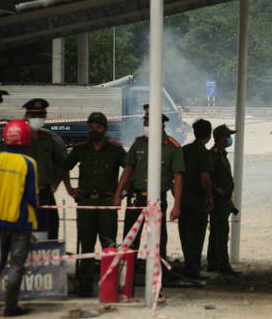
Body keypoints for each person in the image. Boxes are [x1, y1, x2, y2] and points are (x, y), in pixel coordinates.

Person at [112, 105, 185, 300]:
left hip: (158, 200)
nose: (144, 125)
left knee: (158, 245)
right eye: (144, 121)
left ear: (160, 125)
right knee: (129, 243)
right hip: (136, 198)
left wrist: (177, 205)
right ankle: (126, 289)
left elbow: (178, 178)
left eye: (148, 122)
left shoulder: (173, 147)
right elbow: (127, 170)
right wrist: (118, 193)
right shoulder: (138, 144)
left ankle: (156, 289)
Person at [63, 112, 126, 297]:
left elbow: (131, 168)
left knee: (109, 245)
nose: (94, 130)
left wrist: (121, 194)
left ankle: (111, 282)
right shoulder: (80, 148)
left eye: (98, 128)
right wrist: (70, 189)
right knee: (86, 245)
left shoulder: (116, 150)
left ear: (105, 129)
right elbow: (64, 167)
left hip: (107, 204)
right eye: (91, 127)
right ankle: (85, 284)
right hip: (86, 203)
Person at [0, 120, 38, 317]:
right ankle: (10, 306)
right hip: (20, 222)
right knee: (16, 266)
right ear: (25, 139)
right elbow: (32, 196)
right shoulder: (29, 163)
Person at [22, 98, 66, 240]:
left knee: (52, 227)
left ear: (45, 117)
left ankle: (49, 258)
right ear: (26, 117)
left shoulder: (49, 139)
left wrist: (56, 181)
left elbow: (59, 162)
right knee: (26, 230)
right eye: (34, 116)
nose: (37, 119)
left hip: (45, 191)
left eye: (41, 116)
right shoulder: (21, 139)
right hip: (24, 193)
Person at [179, 119, 214, 281]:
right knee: (196, 234)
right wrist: (209, 196)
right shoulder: (204, 153)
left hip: (183, 196)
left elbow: (177, 175)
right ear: (209, 134)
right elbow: (205, 178)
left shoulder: (184, 150)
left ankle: (187, 264)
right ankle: (192, 268)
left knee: (184, 232)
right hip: (197, 198)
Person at [206, 124, 241, 275]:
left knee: (215, 232)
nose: (229, 139)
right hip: (217, 200)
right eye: (227, 136)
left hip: (224, 200)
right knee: (221, 233)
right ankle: (223, 264)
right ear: (220, 139)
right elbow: (206, 177)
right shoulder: (213, 155)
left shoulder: (221, 155)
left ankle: (212, 263)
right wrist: (215, 189)